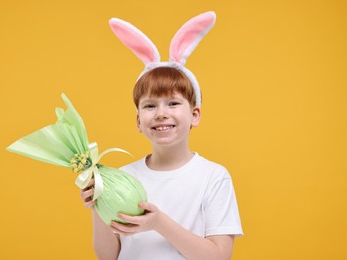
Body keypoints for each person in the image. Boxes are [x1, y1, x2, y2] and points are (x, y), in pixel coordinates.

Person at [81, 11, 243, 260]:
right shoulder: (123, 177)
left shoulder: (213, 177)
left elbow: (219, 256)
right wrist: (97, 205)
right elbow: (108, 256)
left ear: (195, 115)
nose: (161, 114)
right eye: (150, 106)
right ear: (138, 121)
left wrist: (159, 224)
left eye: (173, 103)